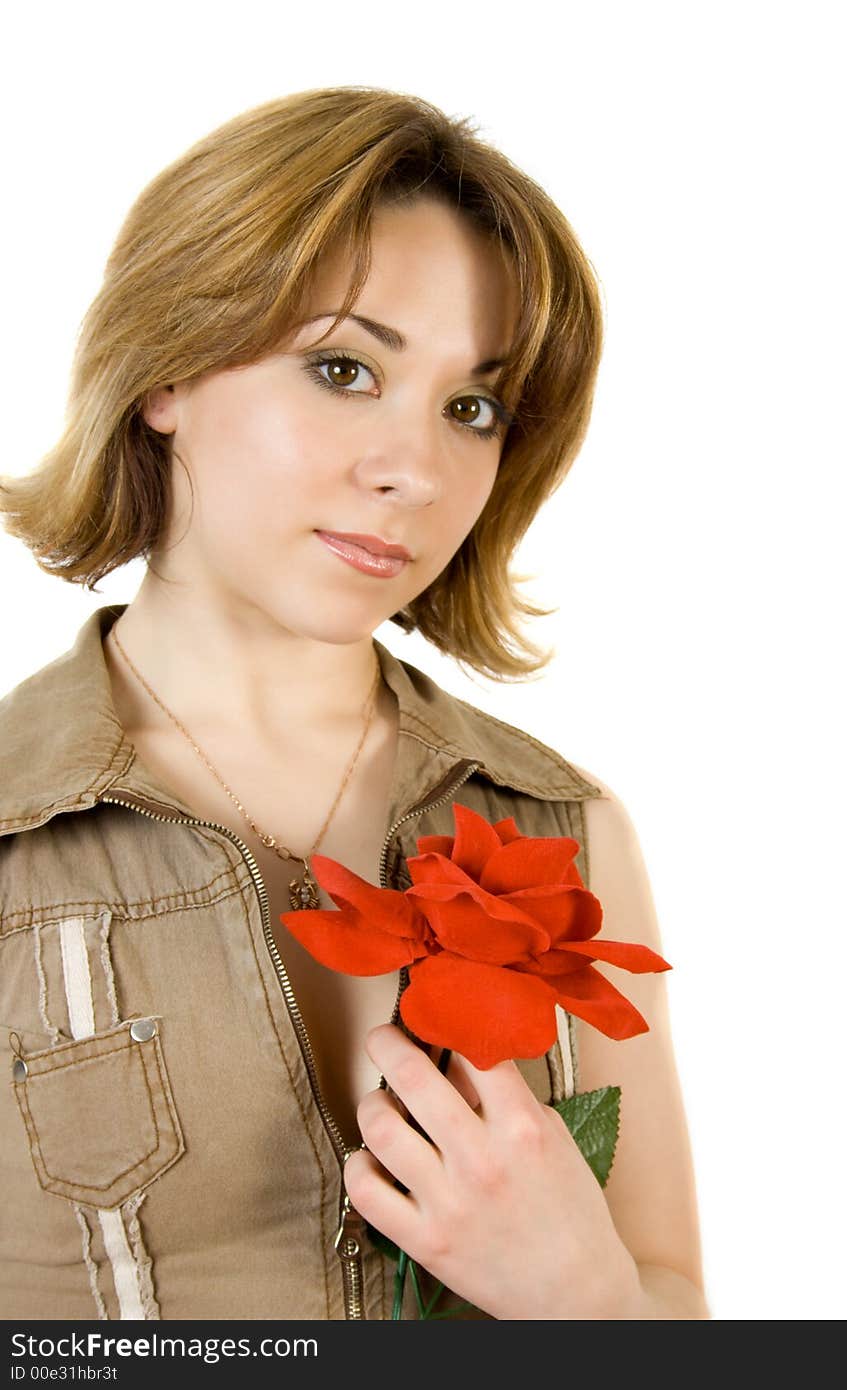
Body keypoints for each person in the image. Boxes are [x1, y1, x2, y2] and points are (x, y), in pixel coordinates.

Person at [0, 87, 709, 1321]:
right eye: (342, 367)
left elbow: (672, 1310)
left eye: (470, 406)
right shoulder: (17, 833)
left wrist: (583, 1296)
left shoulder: (560, 824)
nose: (415, 470)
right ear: (167, 368)